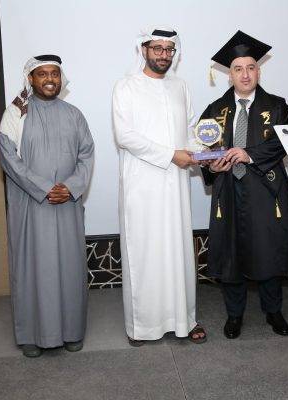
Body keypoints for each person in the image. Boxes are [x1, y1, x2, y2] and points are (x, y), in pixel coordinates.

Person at [112, 27, 206, 345]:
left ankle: (184, 320)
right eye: (158, 49)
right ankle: (142, 326)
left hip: (176, 185)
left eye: (169, 49)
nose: (164, 55)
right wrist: (171, 155)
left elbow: (190, 131)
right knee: (146, 253)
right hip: (142, 187)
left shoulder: (181, 86)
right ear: (144, 50)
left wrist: (203, 152)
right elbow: (125, 136)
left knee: (178, 251)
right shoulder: (126, 87)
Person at [0, 55, 94, 357]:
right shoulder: (16, 113)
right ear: (31, 79)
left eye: (55, 74)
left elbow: (86, 155)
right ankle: (31, 335)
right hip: (31, 205)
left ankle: (72, 331)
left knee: (69, 267)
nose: (50, 79)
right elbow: (7, 156)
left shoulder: (74, 114)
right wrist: (43, 188)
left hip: (67, 204)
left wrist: (71, 187)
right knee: (31, 268)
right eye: (42, 74)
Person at [200, 31, 288, 338]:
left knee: (268, 252)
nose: (245, 74)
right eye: (238, 69)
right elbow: (205, 150)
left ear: (258, 71)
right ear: (229, 75)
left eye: (251, 67)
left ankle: (273, 311)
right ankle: (234, 315)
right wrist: (211, 166)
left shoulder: (277, 107)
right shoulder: (215, 110)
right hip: (229, 190)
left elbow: (283, 143)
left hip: (266, 191)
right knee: (231, 255)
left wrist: (248, 154)